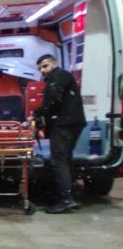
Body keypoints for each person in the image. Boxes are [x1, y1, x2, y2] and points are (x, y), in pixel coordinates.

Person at [27, 54, 87, 213]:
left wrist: (36, 114)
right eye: (40, 68)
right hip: (71, 123)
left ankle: (65, 199)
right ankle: (71, 196)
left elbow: (53, 100)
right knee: (66, 159)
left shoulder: (58, 76)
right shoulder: (60, 77)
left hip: (64, 124)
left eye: (45, 66)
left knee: (59, 160)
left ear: (54, 64)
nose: (43, 70)